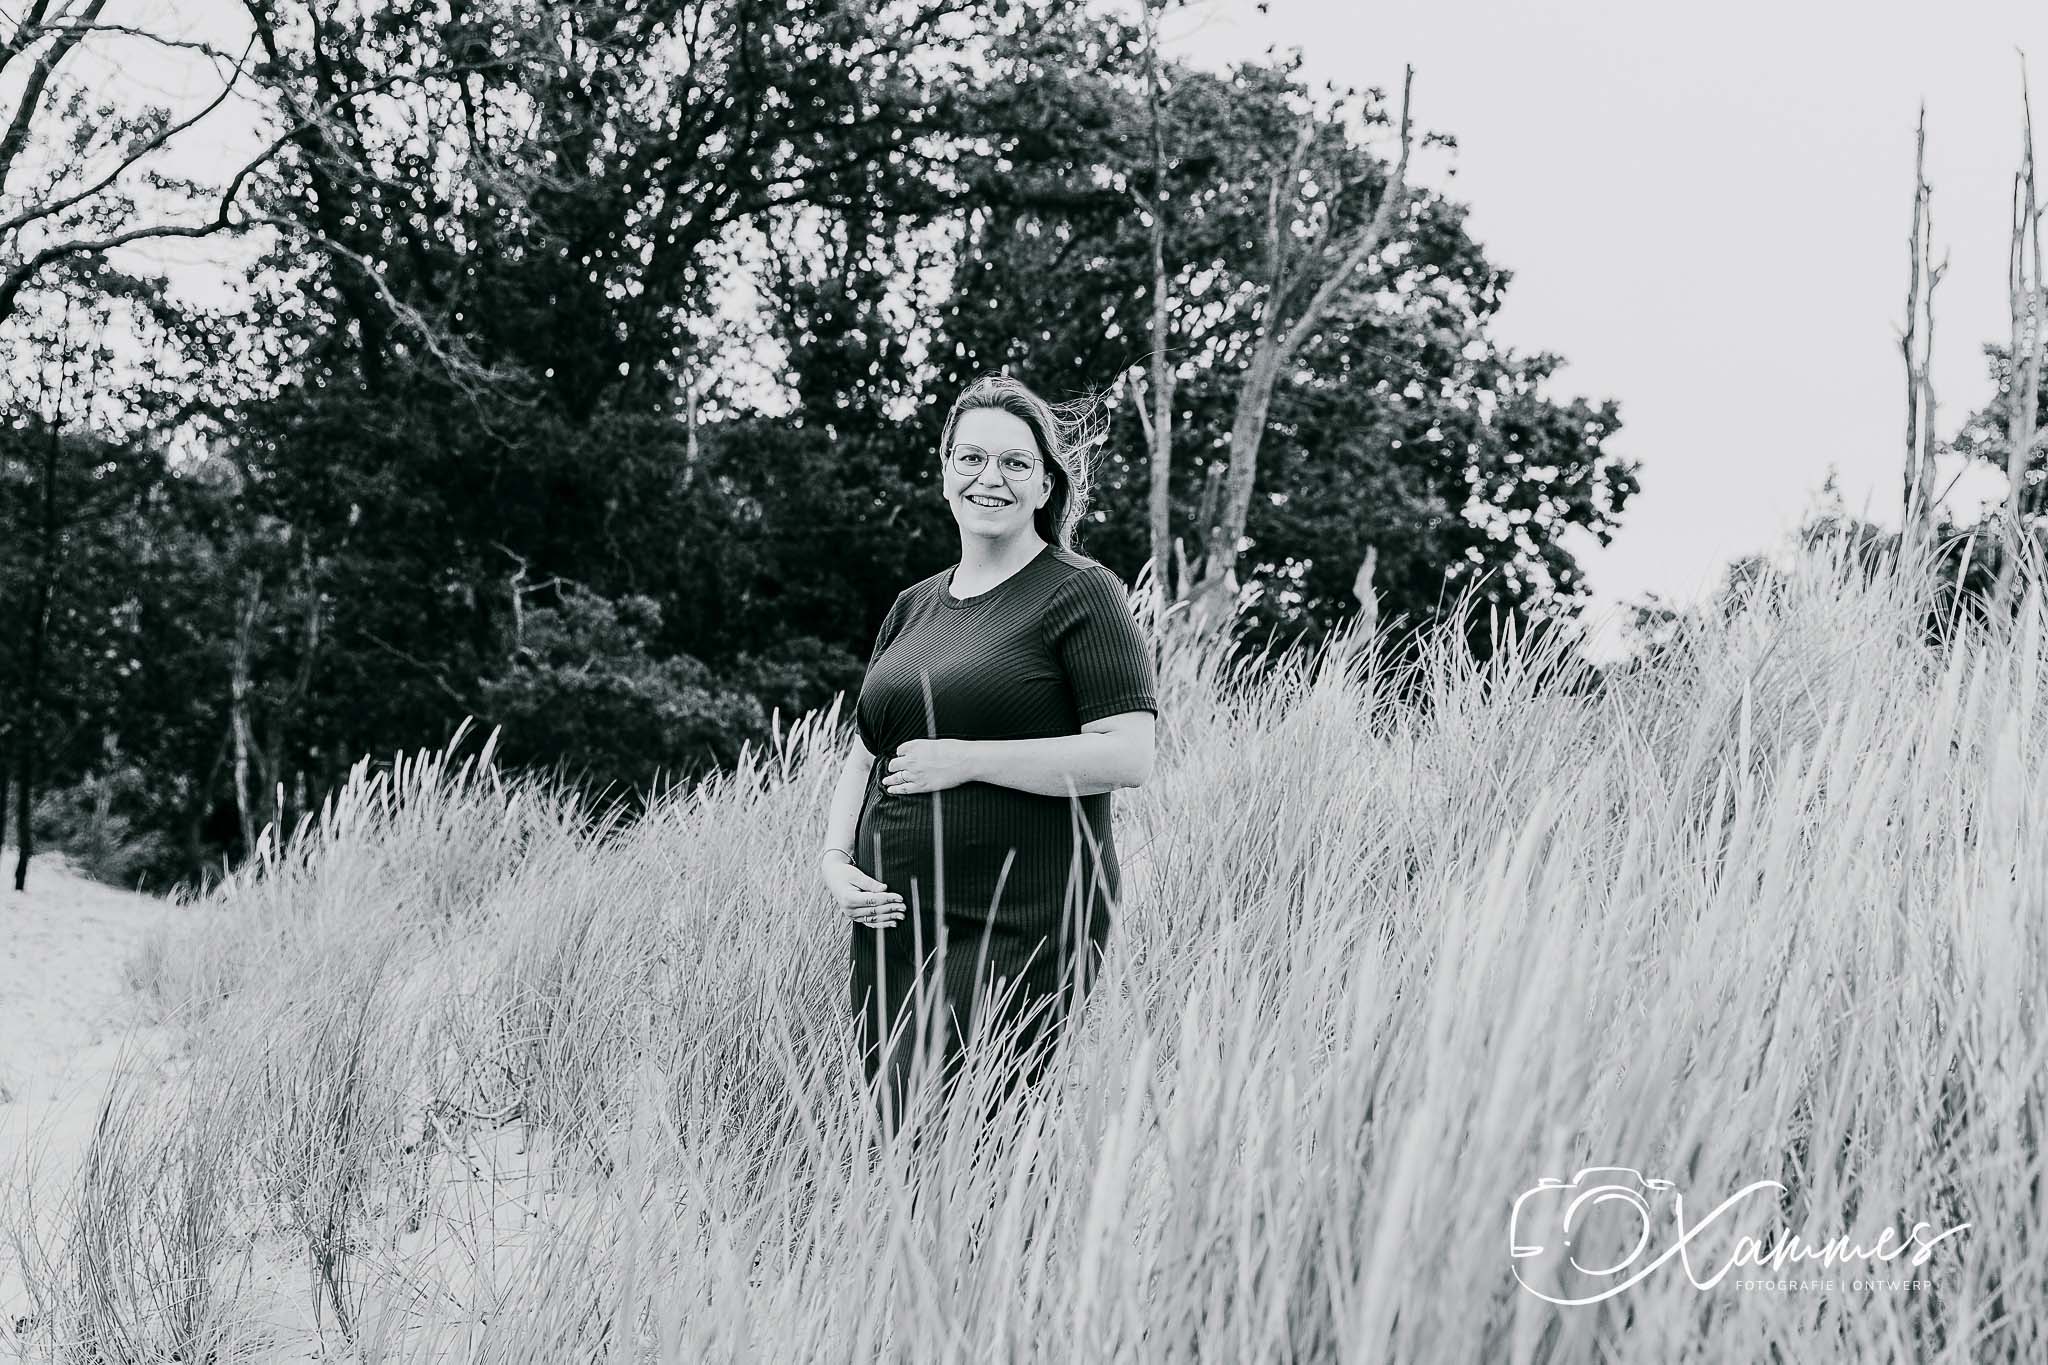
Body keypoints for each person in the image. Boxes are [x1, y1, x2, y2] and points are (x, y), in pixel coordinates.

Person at [817, 373, 1159, 1137]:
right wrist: (836, 861)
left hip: (1021, 919)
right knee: (893, 1131)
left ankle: (1008, 1259)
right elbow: (862, 752)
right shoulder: (914, 604)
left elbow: (1129, 754)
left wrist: (966, 759)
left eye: (1013, 463)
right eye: (970, 459)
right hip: (894, 923)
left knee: (970, 1133)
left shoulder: (1080, 592)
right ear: (945, 474)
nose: (989, 479)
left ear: (1045, 484)